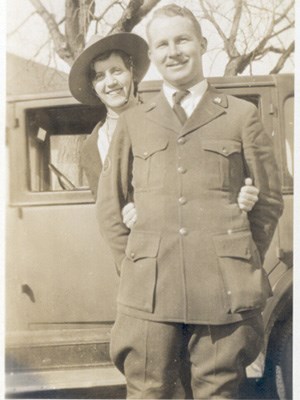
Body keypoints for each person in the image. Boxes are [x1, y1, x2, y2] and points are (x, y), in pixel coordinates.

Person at [96, 4, 284, 399]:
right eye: (162, 44)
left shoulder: (240, 115)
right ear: (153, 54)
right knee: (149, 392)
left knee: (219, 393)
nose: (173, 51)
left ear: (202, 43)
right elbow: (111, 207)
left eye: (182, 39)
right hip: (149, 297)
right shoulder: (134, 118)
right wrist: (135, 266)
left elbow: (267, 201)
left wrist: (236, 259)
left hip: (221, 296)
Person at [69, 32, 258, 229]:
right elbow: (107, 216)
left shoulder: (171, 117)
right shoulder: (92, 146)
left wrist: (242, 195)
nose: (110, 83)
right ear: (93, 85)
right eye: (100, 76)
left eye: (116, 71)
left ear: (131, 72)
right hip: (130, 252)